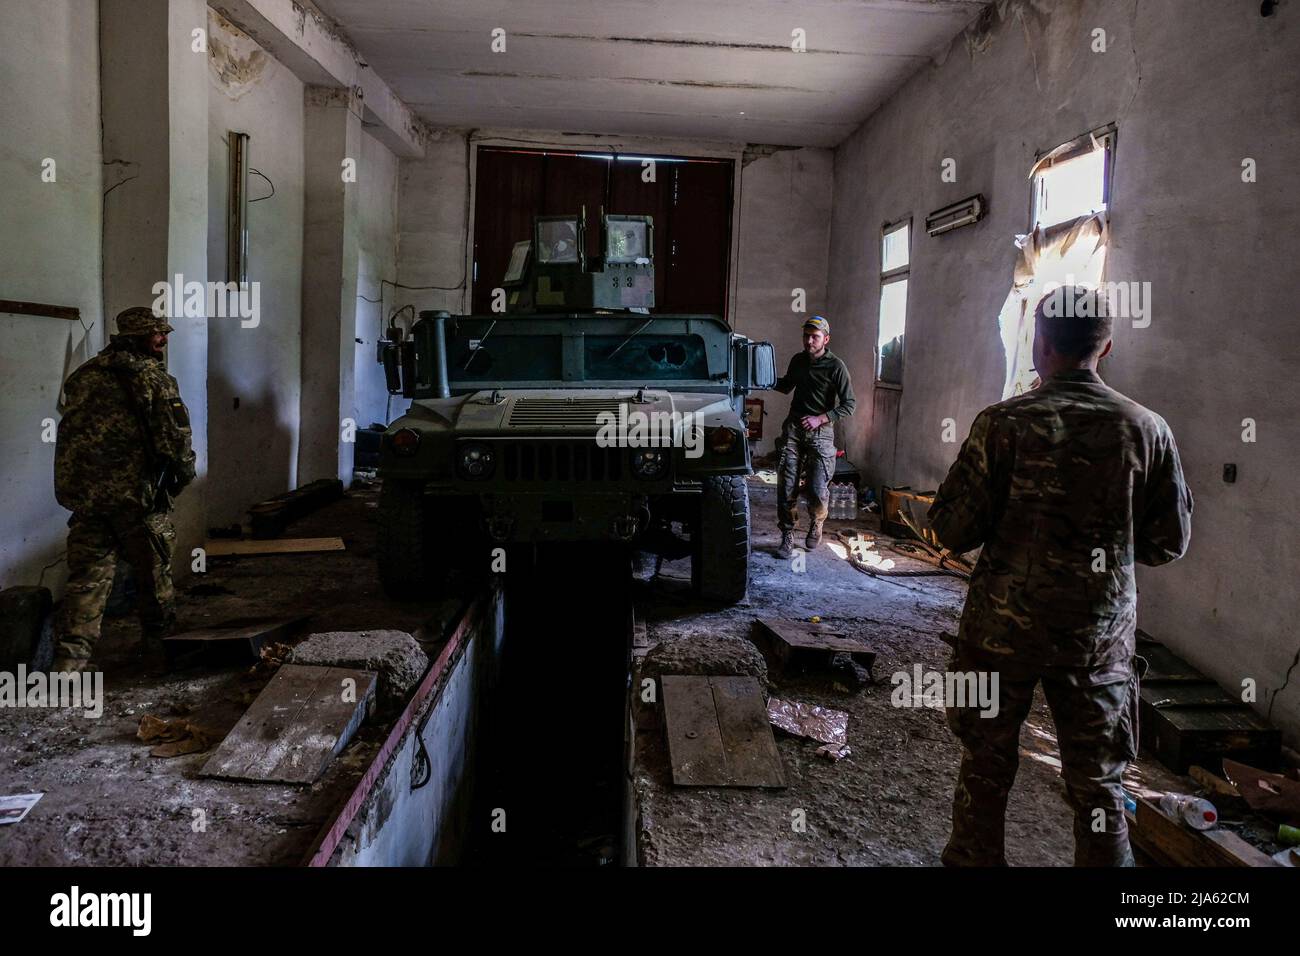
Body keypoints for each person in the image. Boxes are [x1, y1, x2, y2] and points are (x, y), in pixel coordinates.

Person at [928, 286, 1192, 866]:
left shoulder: (1002, 424)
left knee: (986, 765)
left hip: (1002, 632)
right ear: (1107, 348)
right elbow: (1167, 542)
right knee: (1098, 786)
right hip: (1095, 640)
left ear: (1040, 345)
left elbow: (950, 528)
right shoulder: (1147, 429)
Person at [50, 307, 196, 672]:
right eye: (157, 334)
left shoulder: (82, 377)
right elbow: (175, 441)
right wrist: (181, 477)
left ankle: (69, 664)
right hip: (138, 500)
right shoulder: (154, 380)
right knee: (154, 577)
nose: (162, 340)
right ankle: (157, 653)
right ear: (138, 338)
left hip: (90, 499)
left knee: (87, 582)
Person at [772, 316, 856, 558]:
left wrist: (821, 418)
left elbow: (849, 404)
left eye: (815, 337)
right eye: (806, 336)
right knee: (787, 485)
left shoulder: (836, 366)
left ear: (825, 340)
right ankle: (787, 534)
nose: (809, 340)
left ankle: (817, 522)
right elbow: (787, 385)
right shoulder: (798, 360)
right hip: (794, 429)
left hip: (820, 431)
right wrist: (763, 379)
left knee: (817, 489)